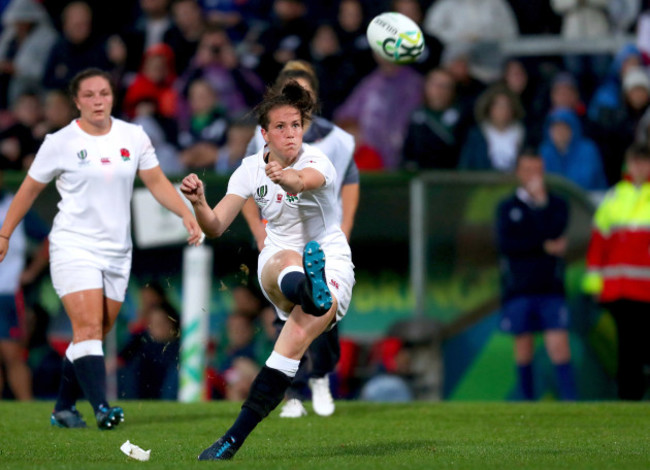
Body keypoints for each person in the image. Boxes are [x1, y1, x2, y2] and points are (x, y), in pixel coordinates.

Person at [0, 68, 201, 429]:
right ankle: (104, 408)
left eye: (104, 93)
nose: (98, 101)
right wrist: (4, 234)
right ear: (77, 102)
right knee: (90, 327)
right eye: (89, 95)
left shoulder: (133, 136)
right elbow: (28, 190)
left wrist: (184, 214)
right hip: (73, 245)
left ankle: (63, 408)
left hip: (117, 251)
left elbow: (155, 180)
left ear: (113, 96)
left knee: (92, 332)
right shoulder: (59, 142)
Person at [180, 81, 355, 460]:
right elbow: (214, 226)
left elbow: (301, 180)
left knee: (294, 349)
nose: (290, 133)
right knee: (289, 265)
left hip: (329, 252)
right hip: (278, 255)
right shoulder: (247, 171)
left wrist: (284, 177)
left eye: (295, 125)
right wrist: (198, 202)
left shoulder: (317, 162)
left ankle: (231, 441)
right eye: (280, 127)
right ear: (264, 133)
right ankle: (310, 291)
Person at [243, 60, 358, 418]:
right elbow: (247, 188)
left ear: (314, 96)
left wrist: (345, 231)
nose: (298, 95)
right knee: (287, 311)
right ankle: (292, 393)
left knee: (323, 313)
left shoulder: (336, 141)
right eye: (291, 89)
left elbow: (350, 186)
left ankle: (320, 378)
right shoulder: (261, 139)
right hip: (282, 237)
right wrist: (259, 234)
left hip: (322, 239)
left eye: (304, 90)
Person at [496, 150, 577, 401]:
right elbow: (507, 244)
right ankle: (528, 404)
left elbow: (557, 230)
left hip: (550, 287)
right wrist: (542, 245)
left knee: (559, 346)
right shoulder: (507, 207)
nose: (534, 176)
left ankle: (572, 405)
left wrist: (541, 205)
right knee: (523, 348)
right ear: (519, 173)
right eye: (528, 170)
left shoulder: (556, 204)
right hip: (519, 288)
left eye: (538, 170)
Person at [583, 143, 650, 400]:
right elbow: (599, 242)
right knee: (626, 345)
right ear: (627, 164)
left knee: (639, 344)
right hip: (620, 287)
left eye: (643, 162)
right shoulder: (614, 197)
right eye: (635, 162)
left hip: (645, 287)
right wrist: (595, 284)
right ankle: (628, 397)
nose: (639, 167)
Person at [0, 169, 49, 400]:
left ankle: (26, 405)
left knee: (11, 354)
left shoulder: (15, 206)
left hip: (8, 293)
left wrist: (30, 272)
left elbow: (48, 240)